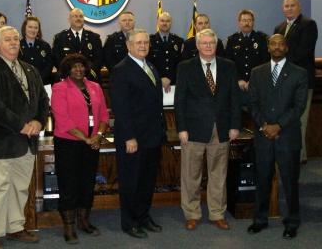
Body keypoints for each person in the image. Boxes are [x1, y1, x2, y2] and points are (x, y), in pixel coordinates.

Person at [0, 26, 49, 248]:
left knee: (19, 187)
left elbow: (43, 99)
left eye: (15, 39)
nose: (13, 43)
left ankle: (15, 227)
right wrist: (22, 125)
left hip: (27, 142)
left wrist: (38, 121)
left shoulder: (30, 70)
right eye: (7, 40)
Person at [175, 29, 241, 231]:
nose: (208, 46)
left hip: (221, 129)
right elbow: (180, 100)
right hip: (193, 130)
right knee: (191, 174)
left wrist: (234, 125)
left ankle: (217, 213)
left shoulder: (228, 66)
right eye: (204, 43)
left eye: (211, 43)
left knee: (219, 174)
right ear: (197, 46)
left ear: (216, 44)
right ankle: (192, 213)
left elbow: (234, 99)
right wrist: (182, 128)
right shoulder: (186, 67)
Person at [247, 34, 308, 239]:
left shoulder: (299, 73)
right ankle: (260, 219)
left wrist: (278, 125)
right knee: (262, 179)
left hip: (287, 135)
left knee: (290, 181)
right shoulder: (257, 72)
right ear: (268, 47)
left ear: (286, 48)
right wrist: (265, 125)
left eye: (281, 44)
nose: (277, 47)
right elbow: (252, 103)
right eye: (273, 43)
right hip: (264, 135)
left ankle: (292, 221)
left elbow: (299, 106)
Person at [110, 28, 166, 239]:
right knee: (130, 181)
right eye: (138, 43)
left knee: (146, 180)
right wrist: (129, 137)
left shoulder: (150, 66)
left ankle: (143, 216)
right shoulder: (121, 69)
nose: (143, 46)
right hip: (132, 138)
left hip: (151, 136)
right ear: (128, 45)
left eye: (146, 42)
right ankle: (130, 222)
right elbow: (120, 108)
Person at [51, 53, 109, 244]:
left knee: (86, 183)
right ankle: (68, 226)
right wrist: (86, 138)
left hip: (92, 143)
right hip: (69, 143)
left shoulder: (95, 86)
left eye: (81, 66)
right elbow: (62, 119)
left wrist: (98, 136)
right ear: (68, 70)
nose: (78, 69)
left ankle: (84, 221)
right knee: (69, 185)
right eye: (74, 67)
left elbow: (103, 115)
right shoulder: (59, 88)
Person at [274, 0, 318, 164]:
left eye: (293, 6)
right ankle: (298, 155)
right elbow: (274, 50)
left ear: (299, 7)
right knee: (286, 119)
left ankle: (297, 157)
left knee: (301, 120)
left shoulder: (308, 25)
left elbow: (302, 51)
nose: (289, 9)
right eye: (287, 6)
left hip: (301, 82)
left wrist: (281, 60)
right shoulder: (280, 27)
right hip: (282, 83)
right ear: (283, 8)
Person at [225, 10, 270, 103]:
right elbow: (228, 64)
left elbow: (266, 62)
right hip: (237, 85)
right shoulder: (232, 40)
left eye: (249, 20)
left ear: (253, 22)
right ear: (239, 23)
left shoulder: (262, 39)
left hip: (257, 85)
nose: (246, 23)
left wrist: (253, 80)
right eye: (244, 20)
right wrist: (238, 79)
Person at [52, 8, 103, 84]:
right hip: (67, 80)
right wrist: (71, 75)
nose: (78, 19)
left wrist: (87, 75)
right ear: (69, 19)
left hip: (90, 80)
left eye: (80, 16)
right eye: (75, 16)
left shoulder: (94, 38)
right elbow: (58, 60)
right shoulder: (60, 38)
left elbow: (99, 59)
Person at [147, 12, 184, 92]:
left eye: (167, 21)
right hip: (154, 83)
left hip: (175, 84)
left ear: (171, 23)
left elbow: (181, 63)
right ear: (157, 22)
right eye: (162, 21)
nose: (165, 23)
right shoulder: (149, 41)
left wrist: (170, 78)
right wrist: (160, 78)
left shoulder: (179, 41)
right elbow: (148, 63)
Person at [19, 16, 54, 86]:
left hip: (43, 84)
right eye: (30, 27)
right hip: (23, 85)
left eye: (36, 28)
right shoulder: (18, 45)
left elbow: (49, 66)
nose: (33, 30)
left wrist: (38, 78)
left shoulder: (45, 46)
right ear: (24, 28)